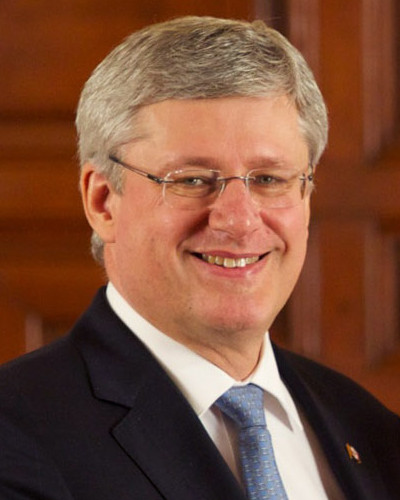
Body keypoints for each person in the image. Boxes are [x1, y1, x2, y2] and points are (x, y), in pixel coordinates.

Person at [0, 16, 399, 500]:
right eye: (191, 180)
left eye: (269, 179)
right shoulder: (18, 436)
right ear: (103, 200)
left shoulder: (372, 431)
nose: (240, 220)